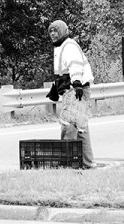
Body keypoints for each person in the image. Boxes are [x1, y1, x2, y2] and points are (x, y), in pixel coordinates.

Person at [46, 19, 96, 169]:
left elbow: (75, 66)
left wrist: (77, 84)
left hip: (76, 90)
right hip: (72, 90)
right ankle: (88, 163)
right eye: (51, 31)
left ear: (63, 31)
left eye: (56, 31)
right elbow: (63, 71)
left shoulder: (69, 46)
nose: (53, 34)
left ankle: (67, 165)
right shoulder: (60, 47)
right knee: (81, 127)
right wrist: (56, 87)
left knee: (68, 126)